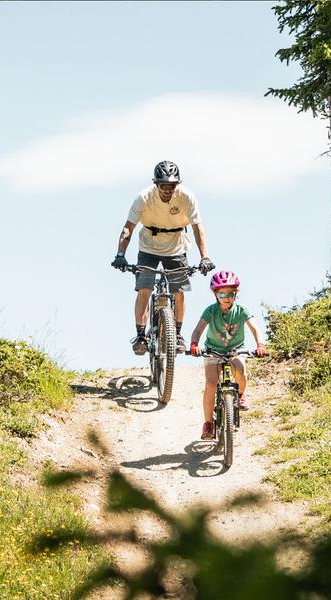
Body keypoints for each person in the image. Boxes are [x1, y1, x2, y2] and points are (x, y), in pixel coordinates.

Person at [112, 160, 215, 354]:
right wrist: (120, 254)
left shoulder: (187, 197)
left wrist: (205, 257)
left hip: (176, 247)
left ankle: (176, 334)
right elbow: (128, 228)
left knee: (179, 291)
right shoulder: (144, 198)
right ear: (156, 184)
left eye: (172, 186)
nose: (168, 190)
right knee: (144, 289)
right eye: (164, 186)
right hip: (148, 246)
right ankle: (141, 335)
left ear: (178, 184)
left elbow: (197, 228)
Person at [189, 270, 267, 440]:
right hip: (213, 351)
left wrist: (260, 345)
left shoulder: (241, 310)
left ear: (235, 294)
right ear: (216, 295)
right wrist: (194, 344)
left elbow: (254, 328)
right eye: (222, 293)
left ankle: (239, 396)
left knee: (241, 371)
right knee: (211, 384)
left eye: (230, 293)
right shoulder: (210, 311)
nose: (226, 297)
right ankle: (208, 423)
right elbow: (198, 330)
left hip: (235, 350)